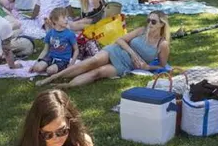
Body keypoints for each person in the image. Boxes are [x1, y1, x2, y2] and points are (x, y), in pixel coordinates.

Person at [36, 11, 170, 89]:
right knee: (92, 61)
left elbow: (162, 66)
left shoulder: (162, 44)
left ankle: (66, 86)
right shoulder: (142, 30)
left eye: (153, 22)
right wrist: (133, 53)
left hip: (126, 65)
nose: (149, 24)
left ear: (162, 24)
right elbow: (120, 40)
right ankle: (53, 78)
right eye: (148, 20)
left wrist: (147, 67)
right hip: (117, 50)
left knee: (98, 72)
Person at [15, 89, 94, 146]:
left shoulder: (83, 144)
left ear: (70, 122)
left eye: (61, 132)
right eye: (47, 135)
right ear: (36, 132)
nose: (55, 139)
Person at [30, 8, 79, 76]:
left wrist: (72, 64)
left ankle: (57, 67)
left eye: (67, 17)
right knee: (37, 68)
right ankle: (48, 65)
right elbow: (45, 50)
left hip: (63, 60)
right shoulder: (50, 33)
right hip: (50, 58)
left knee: (50, 71)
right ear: (55, 21)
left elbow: (76, 49)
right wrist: (35, 63)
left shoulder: (70, 34)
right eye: (64, 18)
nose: (66, 19)